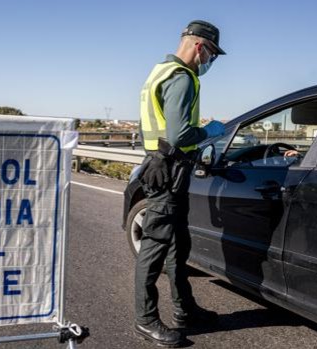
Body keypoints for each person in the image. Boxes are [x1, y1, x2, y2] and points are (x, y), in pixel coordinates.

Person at [135, 20, 226, 347]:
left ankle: (185, 309)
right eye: (211, 53)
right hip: (169, 169)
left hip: (160, 164)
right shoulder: (181, 77)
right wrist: (211, 131)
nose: (209, 61)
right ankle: (145, 319)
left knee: (176, 244)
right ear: (200, 46)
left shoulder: (159, 71)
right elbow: (179, 135)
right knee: (155, 247)